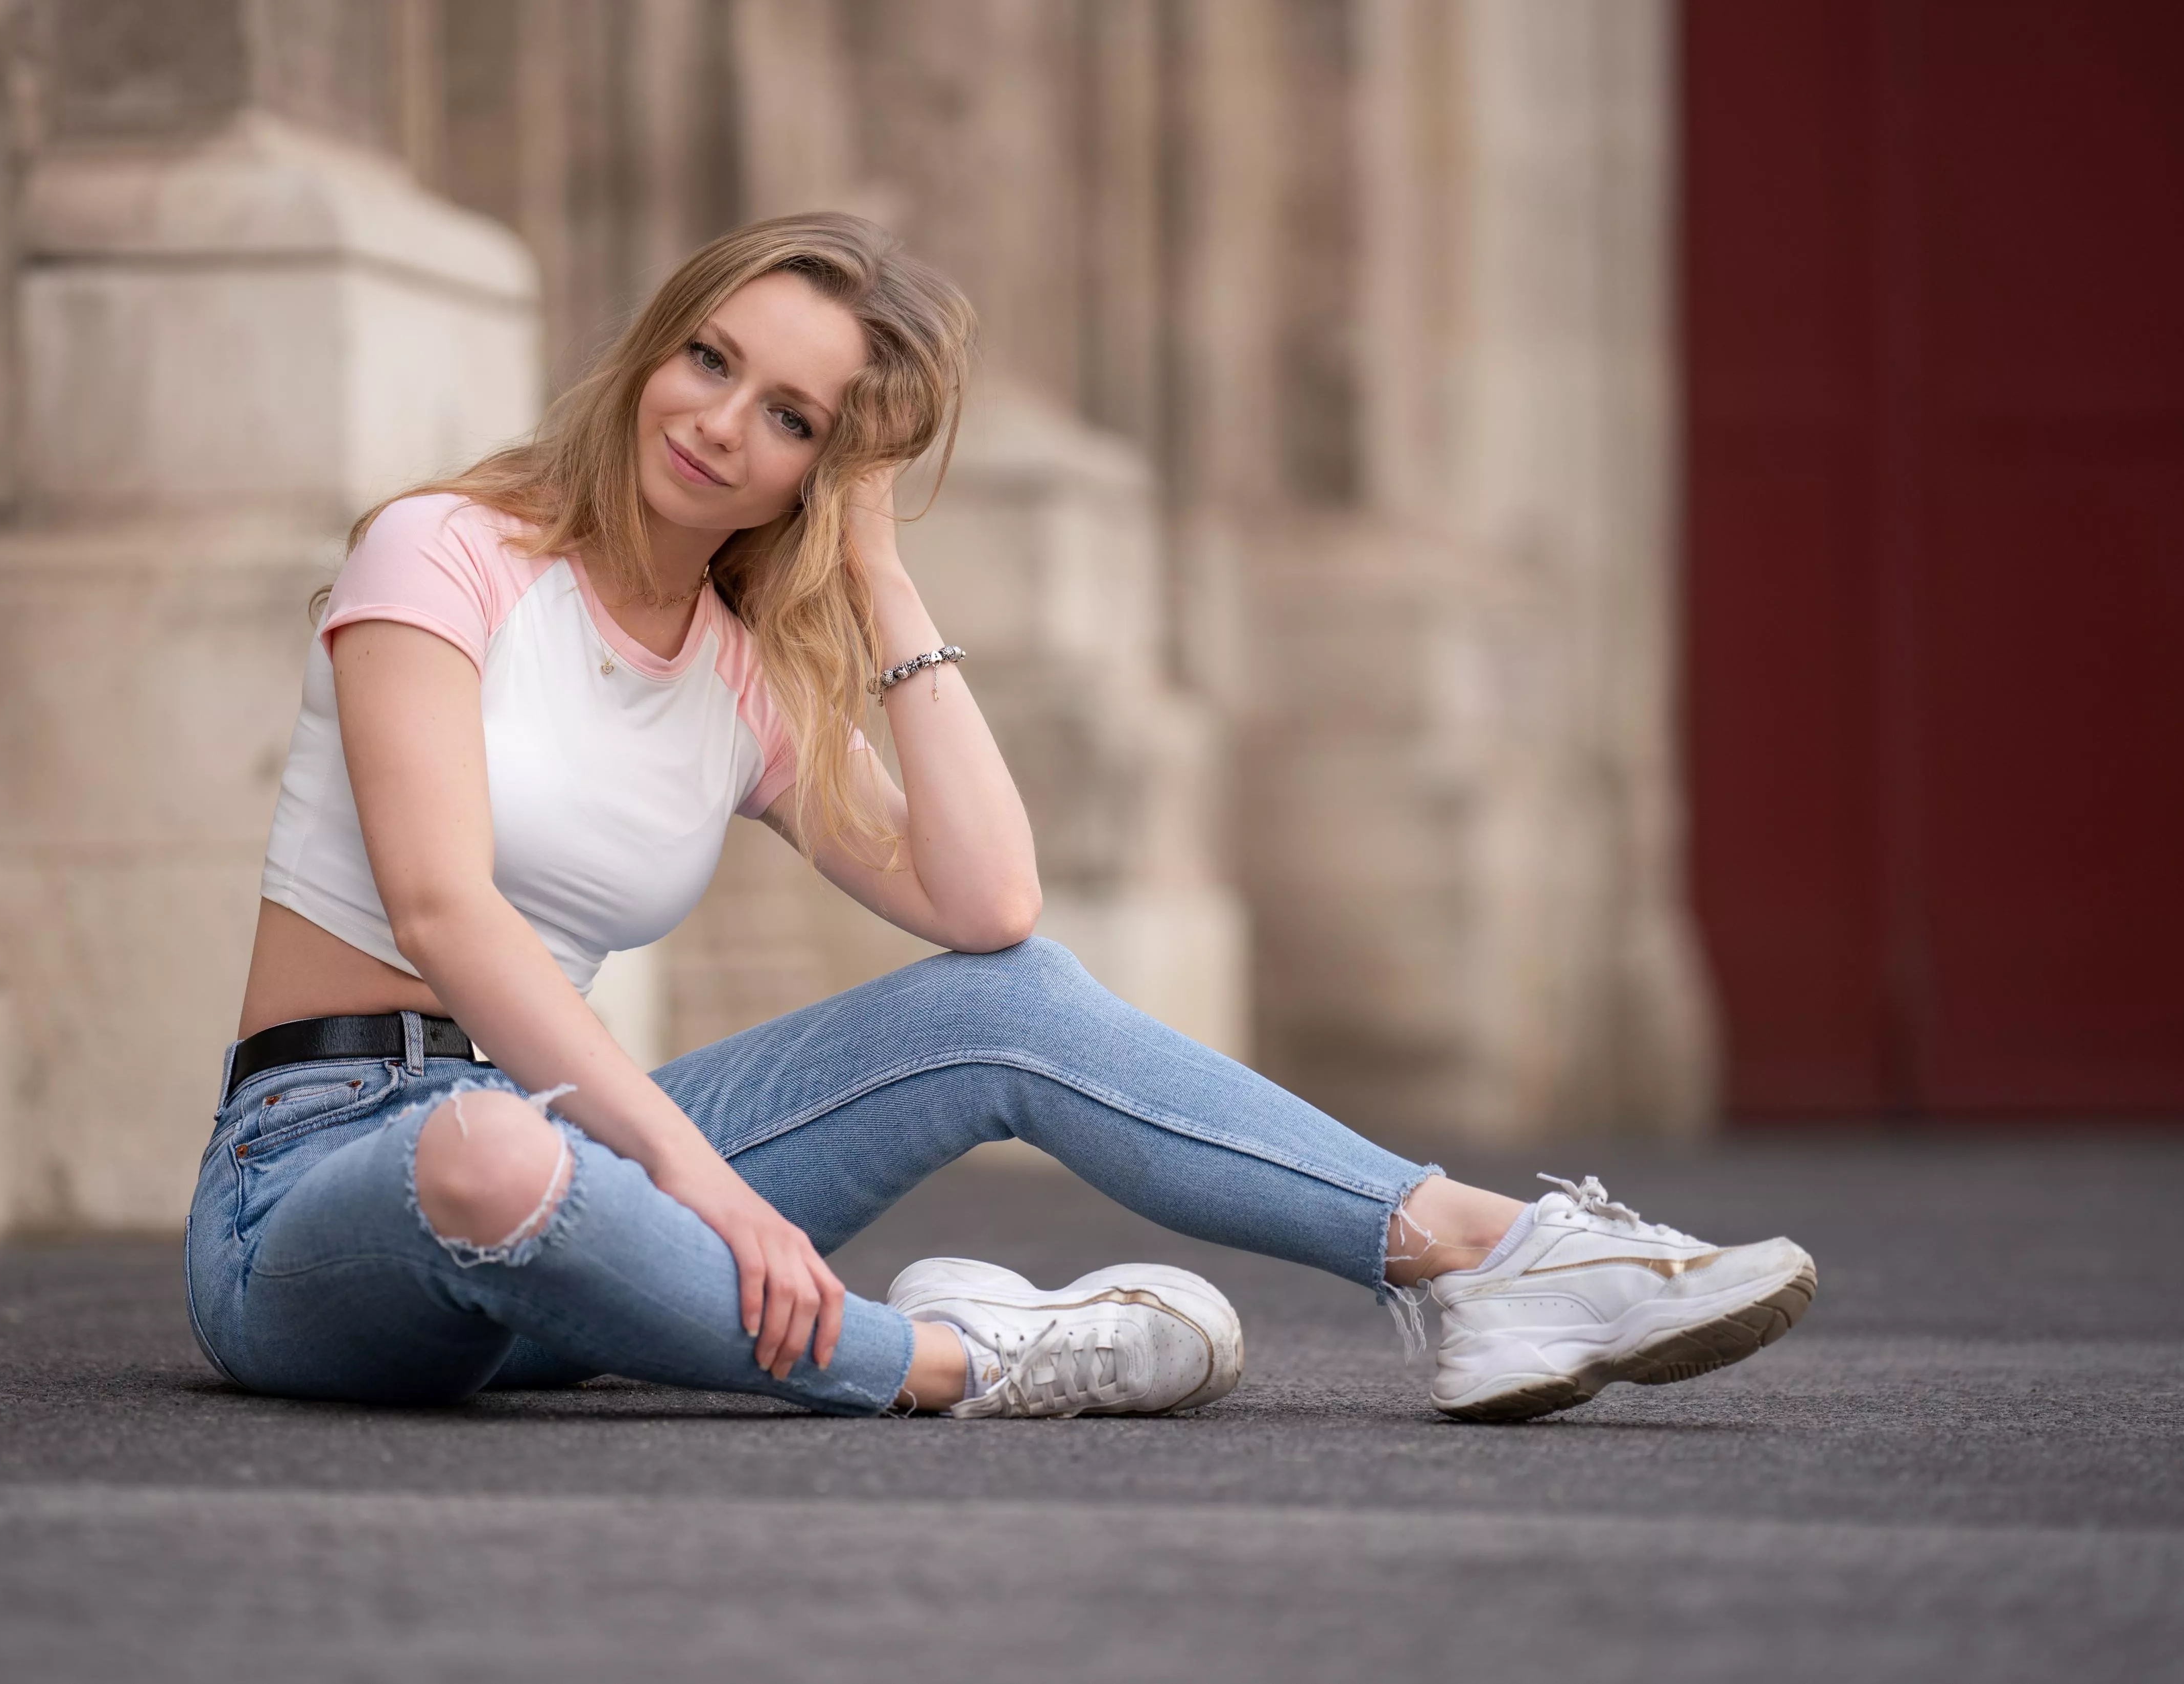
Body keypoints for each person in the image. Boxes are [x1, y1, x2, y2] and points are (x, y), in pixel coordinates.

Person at [183, 212, 1816, 1423]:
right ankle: (976, 1360)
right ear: (654, 345)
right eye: (713, 359)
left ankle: (1476, 1256)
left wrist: (881, 567)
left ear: (815, 475)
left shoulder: (740, 682)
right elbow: (446, 912)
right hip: (319, 1186)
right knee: (486, 1153)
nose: (720, 422)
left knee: (997, 1013)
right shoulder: (445, 553)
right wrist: (718, 1190)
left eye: (794, 421)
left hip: (586, 1186)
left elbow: (989, 910)